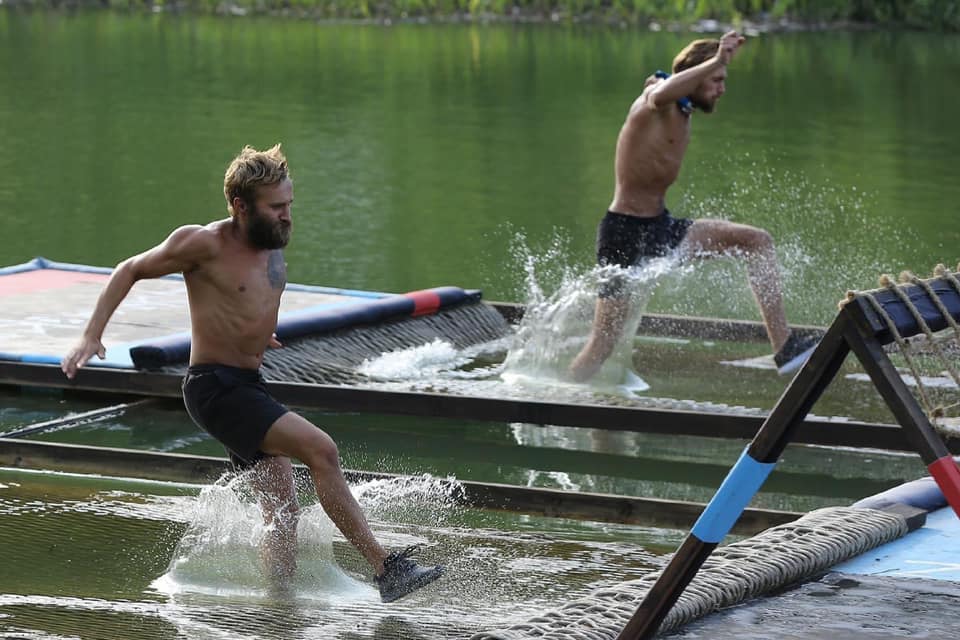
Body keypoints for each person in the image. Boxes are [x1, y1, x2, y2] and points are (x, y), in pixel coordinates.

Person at [60, 144, 443, 603]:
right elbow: (129, 269)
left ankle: (277, 601)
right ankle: (386, 569)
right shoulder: (202, 243)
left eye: (289, 205)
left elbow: (247, 301)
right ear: (241, 206)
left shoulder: (272, 246)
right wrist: (91, 335)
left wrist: (260, 332)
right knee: (322, 450)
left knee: (282, 506)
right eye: (276, 207)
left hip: (247, 383)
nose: (287, 216)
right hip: (215, 387)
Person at [569, 31, 818, 382]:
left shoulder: (682, 110)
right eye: (716, 79)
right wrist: (716, 59)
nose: (722, 89)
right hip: (624, 233)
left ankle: (785, 347)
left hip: (662, 228)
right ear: (696, 76)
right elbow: (658, 93)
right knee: (602, 345)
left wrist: (712, 66)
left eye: (723, 79)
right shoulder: (657, 100)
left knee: (756, 241)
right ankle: (556, 398)